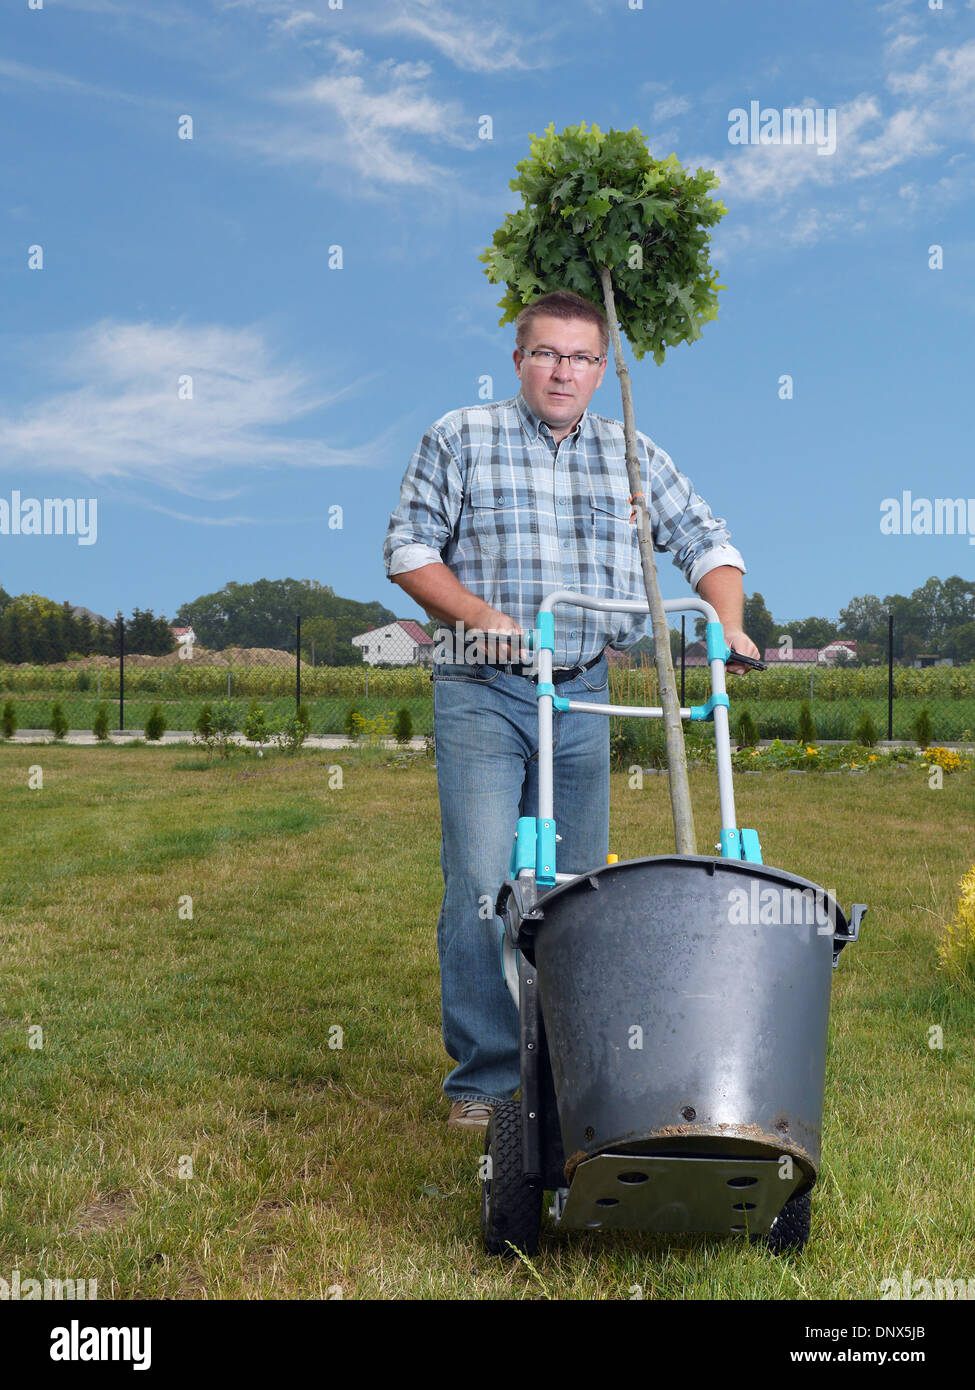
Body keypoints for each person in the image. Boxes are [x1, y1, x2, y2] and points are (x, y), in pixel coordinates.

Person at [383, 289, 760, 1130]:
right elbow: (407, 548)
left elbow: (705, 538)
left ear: (601, 370)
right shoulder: (460, 436)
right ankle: (485, 1083)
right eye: (547, 353)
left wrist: (727, 621)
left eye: (581, 357)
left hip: (584, 692)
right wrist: (481, 617)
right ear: (517, 360)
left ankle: (569, 1066)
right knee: (485, 881)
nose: (563, 370)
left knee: (577, 891)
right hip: (481, 686)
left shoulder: (633, 453)